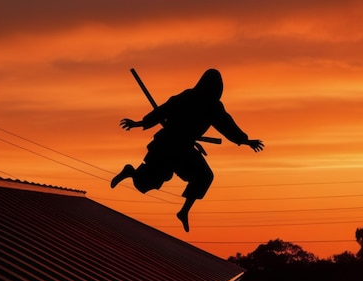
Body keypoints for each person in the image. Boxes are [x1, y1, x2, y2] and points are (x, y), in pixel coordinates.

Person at [111, 69, 264, 232]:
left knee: (202, 176)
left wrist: (245, 140)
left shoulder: (202, 101)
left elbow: (227, 126)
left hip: (179, 146)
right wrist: (140, 123)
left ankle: (183, 210)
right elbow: (164, 110)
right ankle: (131, 172)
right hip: (170, 144)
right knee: (149, 182)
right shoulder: (199, 100)